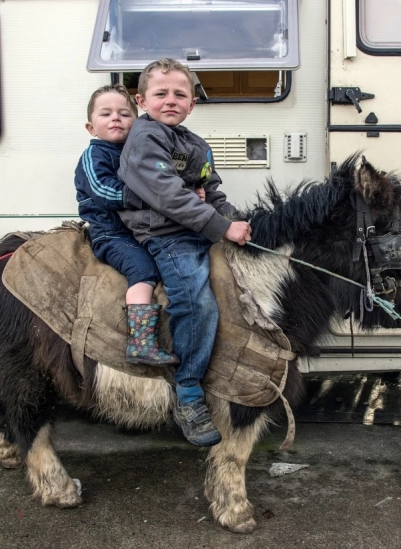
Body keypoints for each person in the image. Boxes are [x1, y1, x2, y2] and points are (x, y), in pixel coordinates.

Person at [117, 59, 252, 447]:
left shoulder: (195, 144)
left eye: (180, 94)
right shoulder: (145, 137)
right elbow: (167, 194)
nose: (171, 100)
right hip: (165, 236)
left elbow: (214, 192)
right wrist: (219, 225)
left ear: (193, 103)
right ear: (142, 100)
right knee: (196, 300)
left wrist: (234, 220)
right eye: (161, 94)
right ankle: (188, 392)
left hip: (196, 230)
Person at [74, 84, 179, 365]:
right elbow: (104, 192)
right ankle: (141, 343)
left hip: (139, 230)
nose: (115, 118)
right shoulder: (93, 157)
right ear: (90, 127)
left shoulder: (135, 153)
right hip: (111, 234)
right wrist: (147, 196)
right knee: (142, 269)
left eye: (123, 113)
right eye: (106, 114)